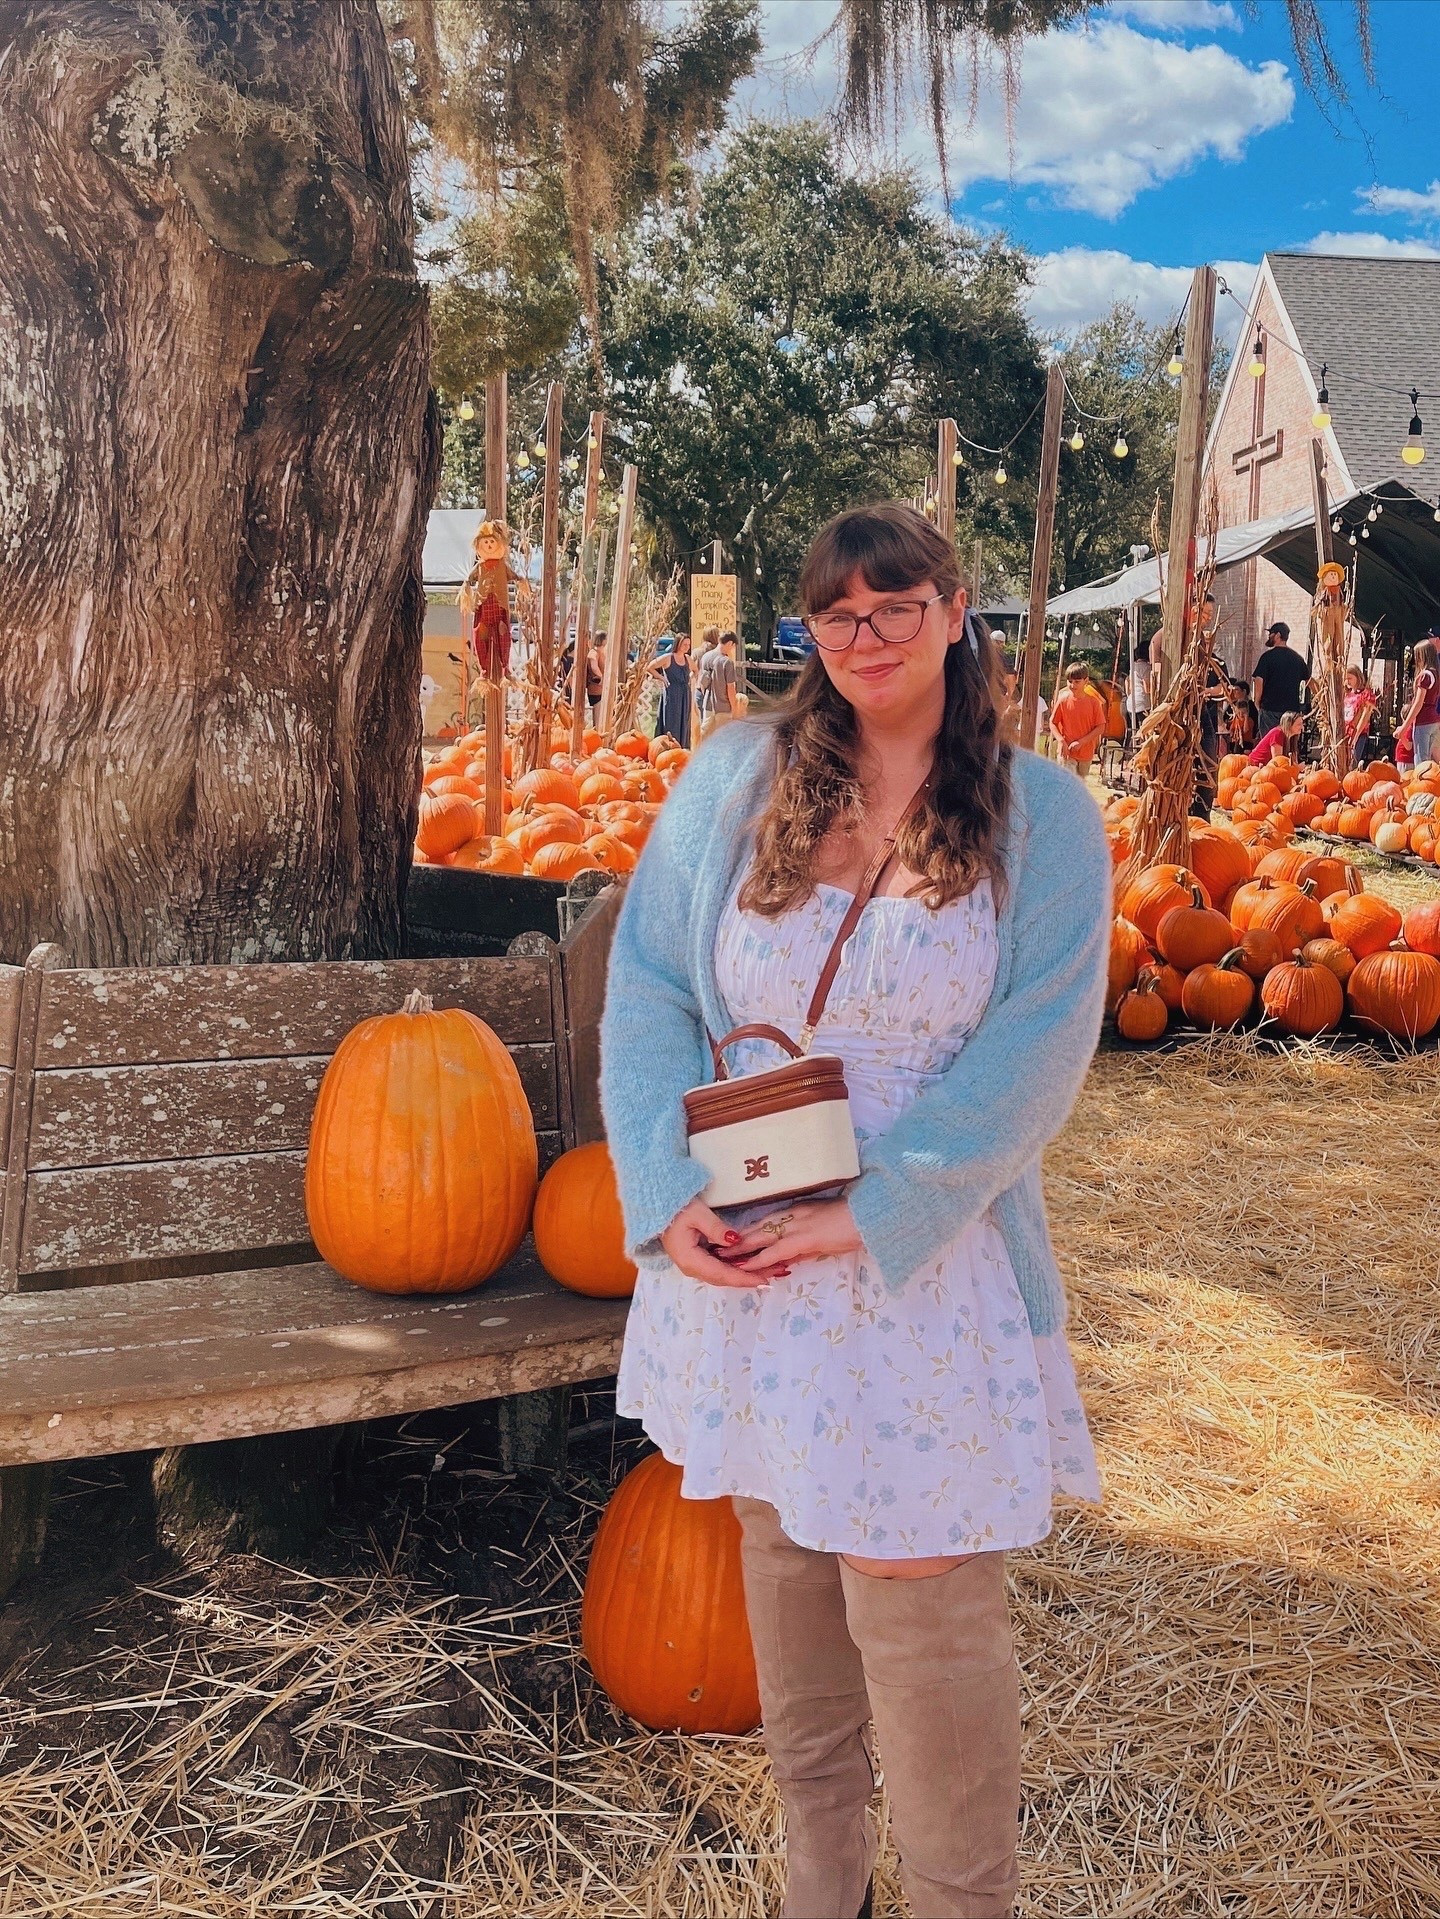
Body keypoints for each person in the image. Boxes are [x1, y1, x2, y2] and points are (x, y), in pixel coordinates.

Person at [600, 502, 1109, 1919]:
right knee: (786, 1565)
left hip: (921, 1266)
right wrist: (660, 1192)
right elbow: (647, 983)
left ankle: (958, 1897)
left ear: (957, 611)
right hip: (752, 1248)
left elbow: (1042, 1044)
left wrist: (882, 1204)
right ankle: (820, 1889)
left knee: (920, 1597)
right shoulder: (734, 777)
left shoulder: (1040, 812)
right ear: (805, 631)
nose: (867, 636)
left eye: (898, 606)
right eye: (838, 613)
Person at [1250, 622, 1310, 739]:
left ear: (1278, 635)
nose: (1269, 637)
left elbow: (1259, 680)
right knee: (1289, 746)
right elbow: (1308, 680)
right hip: (1291, 712)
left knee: (1270, 743)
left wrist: (1257, 702)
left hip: (1270, 710)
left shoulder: (1267, 657)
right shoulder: (1297, 658)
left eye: (1271, 634)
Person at [1049, 661, 1108, 775]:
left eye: (1077, 682)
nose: (1072, 685)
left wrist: (1081, 742)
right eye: (1070, 681)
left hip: (1085, 753)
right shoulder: (1063, 700)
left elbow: (1100, 727)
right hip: (1066, 752)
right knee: (1067, 785)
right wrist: (1061, 741)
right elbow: (1052, 722)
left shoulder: (1093, 702)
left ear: (1086, 681)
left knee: (1080, 785)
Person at [1396, 636, 1440, 769]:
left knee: (1421, 761)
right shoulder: (1436, 674)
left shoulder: (1425, 676)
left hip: (1423, 721)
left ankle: (1423, 788)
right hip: (1435, 719)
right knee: (1434, 760)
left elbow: (1418, 703)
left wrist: (1404, 727)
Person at [648, 631, 694, 747]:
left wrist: (691, 680)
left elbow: (696, 670)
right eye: (684, 644)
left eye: (688, 645)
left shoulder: (688, 659)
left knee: (683, 721)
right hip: (671, 693)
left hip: (684, 693)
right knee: (671, 720)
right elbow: (650, 667)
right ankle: (667, 746)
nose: (687, 647)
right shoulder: (668, 658)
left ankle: (682, 747)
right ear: (678, 644)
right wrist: (661, 678)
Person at [698, 630, 741, 735]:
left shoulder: (705, 657)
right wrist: (734, 709)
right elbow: (730, 688)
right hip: (723, 707)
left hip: (707, 704)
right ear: (730, 643)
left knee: (705, 736)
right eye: (733, 646)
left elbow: (702, 682)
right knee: (722, 738)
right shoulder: (727, 662)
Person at [1344, 666, 1378, 766]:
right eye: (1346, 679)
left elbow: (1365, 716)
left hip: (1358, 733)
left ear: (1358, 677)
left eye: (1350, 678)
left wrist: (1355, 735)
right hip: (1345, 732)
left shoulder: (1366, 695)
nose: (1347, 681)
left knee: (1352, 762)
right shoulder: (1347, 694)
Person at [585, 630, 607, 723]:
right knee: (598, 718)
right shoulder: (593, 653)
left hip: (602, 688)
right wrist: (602, 677)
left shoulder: (601, 652)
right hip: (596, 688)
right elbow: (594, 667)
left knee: (603, 717)